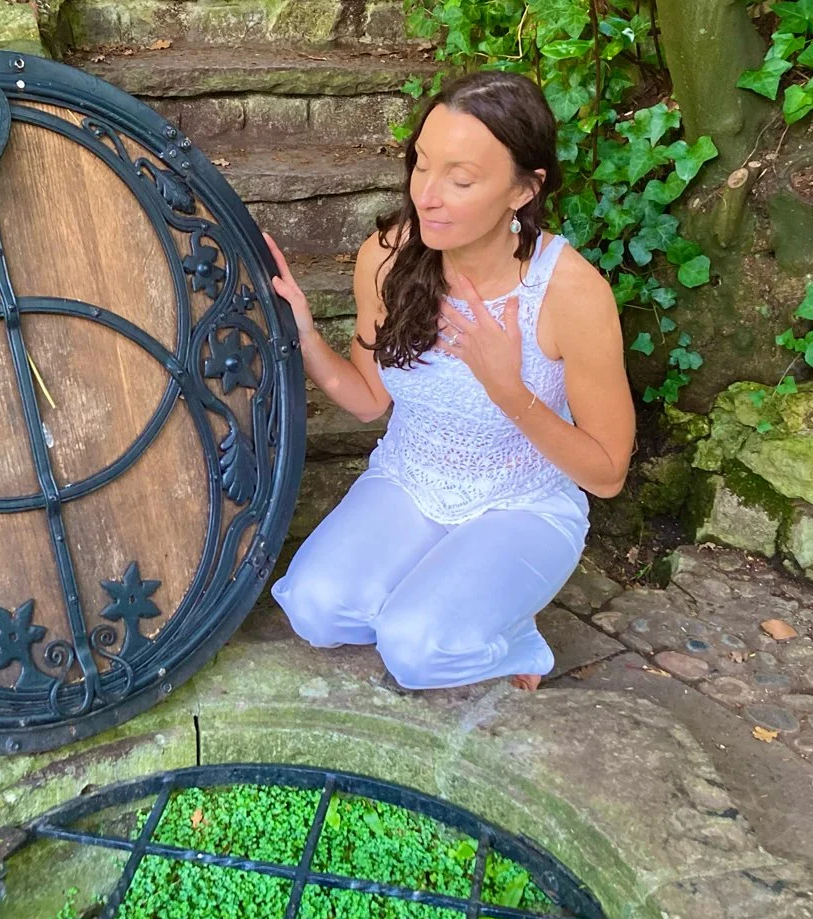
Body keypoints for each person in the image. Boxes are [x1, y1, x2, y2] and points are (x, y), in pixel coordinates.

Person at [264, 69, 635, 692]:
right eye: (422, 165)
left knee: (415, 652)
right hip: (411, 481)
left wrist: (509, 392)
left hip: (523, 504)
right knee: (314, 610)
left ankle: (515, 636)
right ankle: (446, 592)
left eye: (460, 180)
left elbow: (607, 474)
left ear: (524, 189)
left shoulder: (569, 293)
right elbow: (369, 399)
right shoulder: (387, 256)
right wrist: (303, 336)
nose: (428, 195)